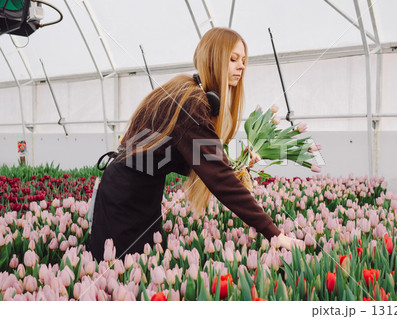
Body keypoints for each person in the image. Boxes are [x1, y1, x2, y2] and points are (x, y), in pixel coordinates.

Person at [88, 27, 300, 262]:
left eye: (243, 60)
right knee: (118, 274)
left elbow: (181, 156)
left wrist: (233, 165)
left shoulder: (187, 89)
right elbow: (218, 178)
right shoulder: (191, 103)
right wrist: (274, 233)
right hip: (126, 199)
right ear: (213, 59)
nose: (241, 66)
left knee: (135, 272)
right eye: (233, 59)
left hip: (138, 190)